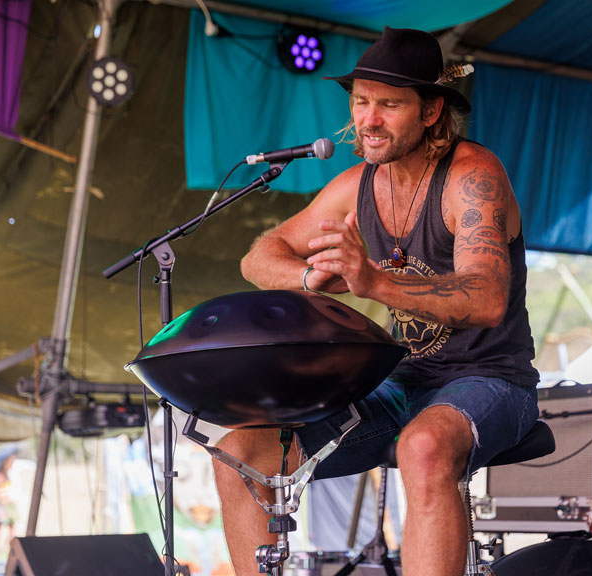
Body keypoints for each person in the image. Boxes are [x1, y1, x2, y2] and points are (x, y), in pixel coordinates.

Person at [213, 27, 540, 575]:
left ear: (432, 110)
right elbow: (258, 257)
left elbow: (486, 298)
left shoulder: (472, 176)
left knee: (425, 447)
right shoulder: (356, 184)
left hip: (493, 380)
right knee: (241, 452)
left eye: (389, 104)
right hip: (400, 382)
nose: (368, 119)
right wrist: (314, 277)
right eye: (361, 101)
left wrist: (373, 281)